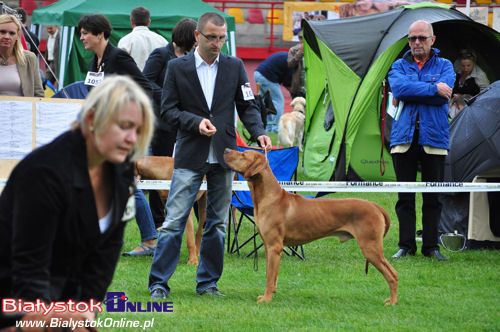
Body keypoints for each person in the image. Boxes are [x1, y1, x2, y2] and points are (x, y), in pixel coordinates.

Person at [0, 76, 155, 327]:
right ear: (93, 120)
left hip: (64, 298)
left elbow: (107, 252)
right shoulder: (44, 175)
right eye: (124, 126)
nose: (132, 139)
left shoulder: (120, 168)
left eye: (138, 130)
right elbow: (29, 272)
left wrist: (86, 310)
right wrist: (57, 319)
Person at [148, 12, 272, 299]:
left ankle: (207, 283)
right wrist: (195, 123)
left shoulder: (235, 66)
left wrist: (259, 130)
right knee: (174, 221)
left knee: (217, 224)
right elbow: (168, 110)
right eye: (212, 38)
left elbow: (248, 104)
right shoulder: (176, 68)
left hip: (225, 155)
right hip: (190, 153)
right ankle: (158, 283)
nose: (217, 44)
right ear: (197, 36)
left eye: (221, 38)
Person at [77, 14, 156, 256]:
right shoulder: (95, 62)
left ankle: (150, 240)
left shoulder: (118, 57)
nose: (82, 38)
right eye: (80, 33)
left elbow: (144, 87)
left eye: (85, 33)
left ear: (101, 34)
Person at [388, 20, 455, 261]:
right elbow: (399, 89)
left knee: (433, 197)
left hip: (434, 137)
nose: (417, 42)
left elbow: (442, 97)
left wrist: (415, 90)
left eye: (422, 38)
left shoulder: (446, 65)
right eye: (412, 38)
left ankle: (431, 247)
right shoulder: (398, 65)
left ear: (432, 40)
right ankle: (405, 246)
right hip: (403, 138)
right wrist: (432, 88)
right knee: (404, 197)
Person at [142, 17, 197, 230]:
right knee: (160, 174)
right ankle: (157, 221)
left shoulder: (192, 56)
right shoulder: (160, 54)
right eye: (194, 38)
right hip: (161, 124)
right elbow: (145, 81)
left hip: (183, 123)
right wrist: (168, 96)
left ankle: (180, 220)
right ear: (184, 37)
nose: (196, 43)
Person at [0, 14, 43, 97]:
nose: (7, 36)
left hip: (23, 109)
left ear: (17, 36)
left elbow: (38, 94)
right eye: (2, 32)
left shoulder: (29, 58)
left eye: (12, 33)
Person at [118, 6, 168, 71]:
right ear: (149, 22)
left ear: (131, 21)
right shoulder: (162, 40)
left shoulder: (125, 41)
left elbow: (119, 66)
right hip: (156, 80)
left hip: (132, 80)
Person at [254, 51, 293, 132]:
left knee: (267, 102)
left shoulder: (285, 55)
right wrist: (293, 93)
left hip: (257, 74)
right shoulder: (291, 61)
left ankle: (268, 127)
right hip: (267, 77)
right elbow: (287, 82)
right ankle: (277, 128)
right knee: (279, 101)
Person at [287, 30, 306, 99]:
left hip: (312, 87)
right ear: (299, 39)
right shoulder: (293, 50)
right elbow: (290, 64)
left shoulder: (315, 50)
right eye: (303, 38)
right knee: (298, 109)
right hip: (298, 88)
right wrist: (300, 53)